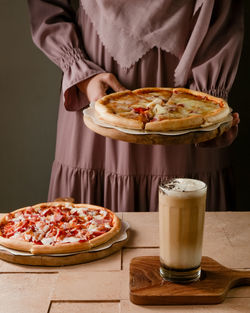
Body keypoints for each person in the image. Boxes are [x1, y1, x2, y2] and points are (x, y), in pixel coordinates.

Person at [27, 0, 244, 212]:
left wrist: (208, 102)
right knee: (83, 230)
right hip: (94, 83)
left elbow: (224, 9)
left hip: (192, 78)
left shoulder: (203, 98)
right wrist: (81, 73)